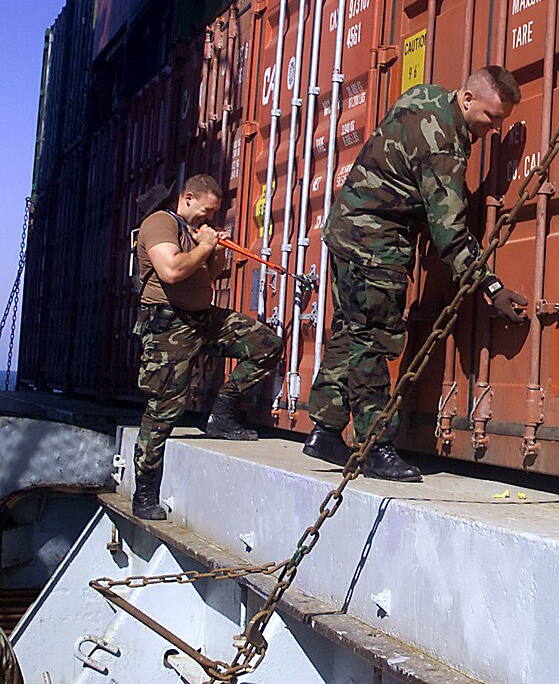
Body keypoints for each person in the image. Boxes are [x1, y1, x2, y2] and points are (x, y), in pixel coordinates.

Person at [304, 66, 531, 481]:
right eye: (491, 117)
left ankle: (325, 429)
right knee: (373, 340)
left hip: (344, 230)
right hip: (375, 245)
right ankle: (376, 447)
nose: (494, 128)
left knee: (351, 330)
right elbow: (449, 235)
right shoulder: (446, 147)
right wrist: (491, 287)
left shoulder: (425, 94)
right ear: (466, 99)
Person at [132, 175, 284, 520]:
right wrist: (202, 246)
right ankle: (144, 493)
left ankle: (222, 413)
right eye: (205, 211)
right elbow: (170, 271)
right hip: (170, 324)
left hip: (203, 318)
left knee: (265, 344)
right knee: (164, 409)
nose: (209, 219)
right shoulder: (160, 223)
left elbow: (212, 273)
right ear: (187, 199)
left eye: (214, 213)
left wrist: (213, 251)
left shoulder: (195, 233)